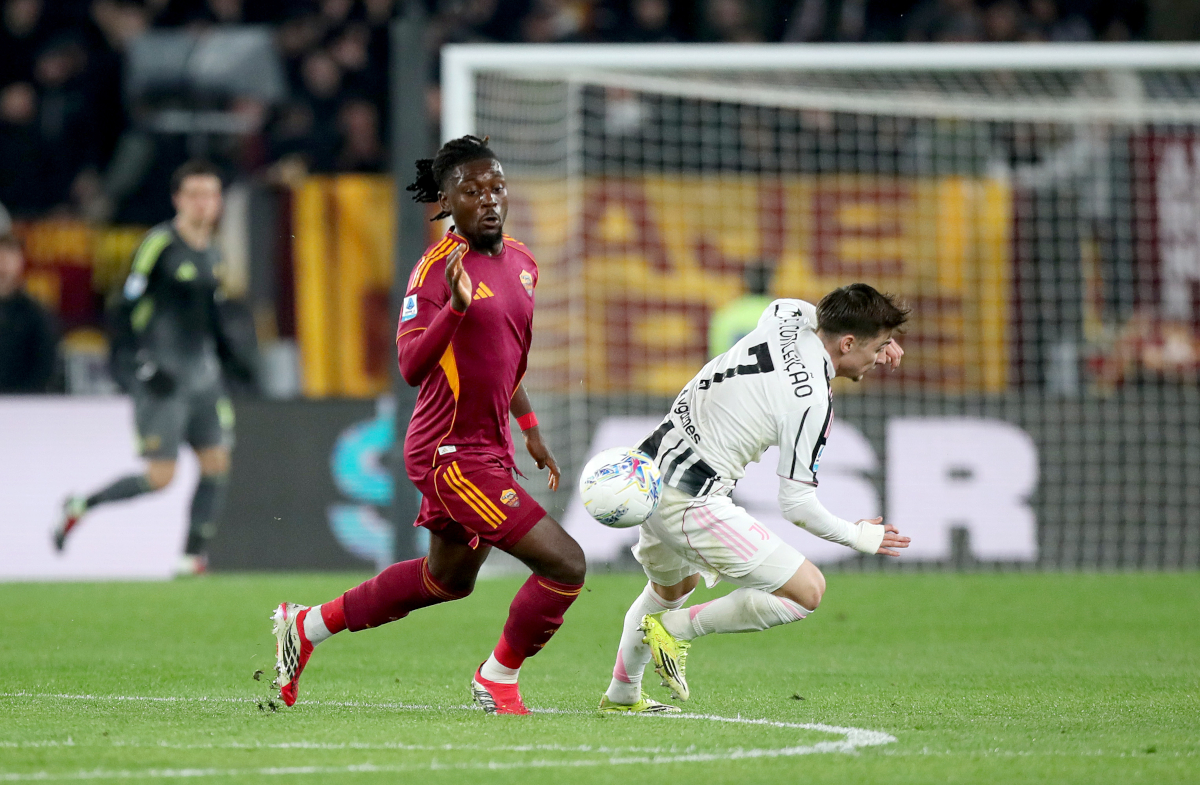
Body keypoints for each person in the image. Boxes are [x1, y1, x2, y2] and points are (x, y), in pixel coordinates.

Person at [271, 135, 586, 716]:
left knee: (447, 580)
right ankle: (497, 679)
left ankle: (305, 626)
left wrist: (531, 426)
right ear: (447, 202)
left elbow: (506, 357)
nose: (488, 199)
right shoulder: (436, 272)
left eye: (496, 187)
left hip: (490, 447)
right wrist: (455, 308)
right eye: (472, 191)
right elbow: (411, 367)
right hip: (449, 454)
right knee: (566, 565)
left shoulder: (523, 262)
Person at [599, 284, 911, 713]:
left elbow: (791, 305)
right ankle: (673, 630)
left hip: (649, 471)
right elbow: (797, 505)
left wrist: (879, 336)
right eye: (877, 347)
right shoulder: (812, 400)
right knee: (806, 592)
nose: (881, 357)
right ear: (848, 343)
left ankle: (622, 695)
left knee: (671, 587)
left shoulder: (788, 321)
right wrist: (859, 537)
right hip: (691, 500)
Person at [53, 160, 254, 575]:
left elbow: (211, 315)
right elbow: (123, 307)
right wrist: (137, 365)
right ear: (178, 199)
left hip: (204, 376)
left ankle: (191, 557)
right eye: (195, 195)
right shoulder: (158, 245)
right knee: (161, 476)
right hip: (162, 376)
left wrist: (234, 360)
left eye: (211, 195)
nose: (204, 204)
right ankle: (80, 506)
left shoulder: (212, 252)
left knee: (217, 461)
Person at [0, 232, 57, 393]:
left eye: (9, 253)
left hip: (24, 407)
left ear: (20, 261)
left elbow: (44, 367)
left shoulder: (36, 314)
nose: (2, 262)